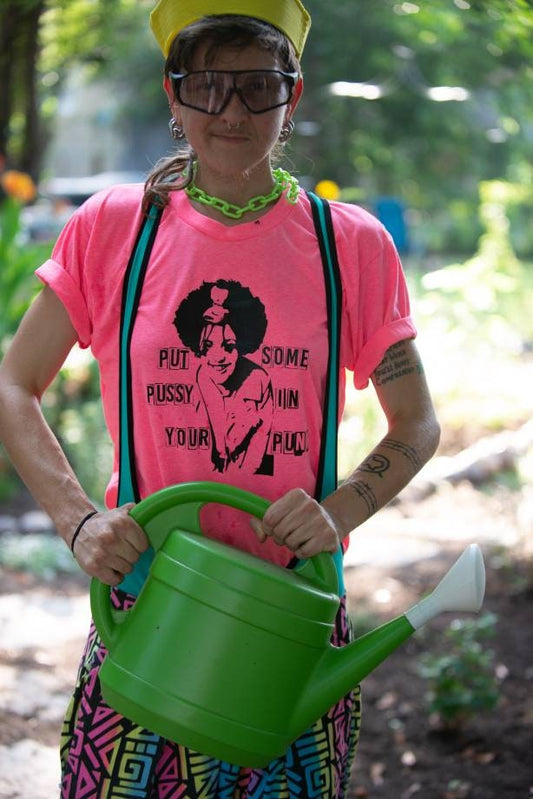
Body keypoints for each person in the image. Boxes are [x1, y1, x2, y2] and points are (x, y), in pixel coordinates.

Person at [0, 0, 440, 796]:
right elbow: (12, 383)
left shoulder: (351, 245)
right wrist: (79, 520)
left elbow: (416, 423)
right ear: (173, 96)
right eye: (206, 85)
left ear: (292, 96)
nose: (231, 110)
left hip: (288, 617)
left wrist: (339, 510)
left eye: (256, 86)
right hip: (149, 608)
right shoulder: (113, 231)